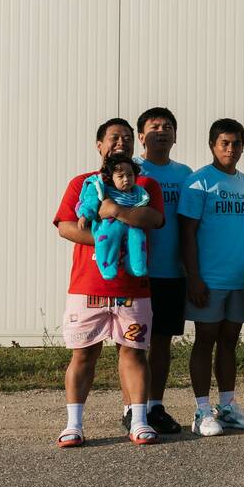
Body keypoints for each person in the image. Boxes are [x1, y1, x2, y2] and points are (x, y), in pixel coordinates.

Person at [53, 118, 165, 447]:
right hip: (88, 286)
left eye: (128, 138)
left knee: (133, 354)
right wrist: (106, 240)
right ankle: (73, 424)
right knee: (83, 356)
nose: (121, 142)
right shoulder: (82, 183)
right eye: (114, 137)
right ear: (99, 145)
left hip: (133, 287)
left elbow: (153, 218)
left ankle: (139, 421)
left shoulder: (145, 183)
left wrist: (115, 210)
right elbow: (66, 226)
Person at [179, 118, 244, 436]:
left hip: (239, 279)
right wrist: (194, 277)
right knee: (205, 341)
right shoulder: (199, 183)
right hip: (208, 280)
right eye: (224, 143)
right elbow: (187, 234)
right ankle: (201, 411)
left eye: (237, 143)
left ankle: (227, 406)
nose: (231, 149)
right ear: (212, 145)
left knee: (229, 342)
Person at [134, 106, 193, 435]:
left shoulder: (185, 174)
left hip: (173, 273)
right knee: (133, 345)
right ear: (141, 136)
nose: (162, 131)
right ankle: (133, 408)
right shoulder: (130, 171)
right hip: (137, 273)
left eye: (168, 126)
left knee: (162, 343)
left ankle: (155, 405)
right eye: (154, 126)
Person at [75, 155, 150, 279]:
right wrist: (84, 216)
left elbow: (145, 211)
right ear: (110, 178)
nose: (126, 179)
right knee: (107, 238)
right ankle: (107, 267)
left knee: (138, 238)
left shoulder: (138, 192)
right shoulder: (103, 189)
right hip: (110, 223)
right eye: (121, 176)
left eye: (130, 175)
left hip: (131, 222)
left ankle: (137, 266)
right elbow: (90, 201)